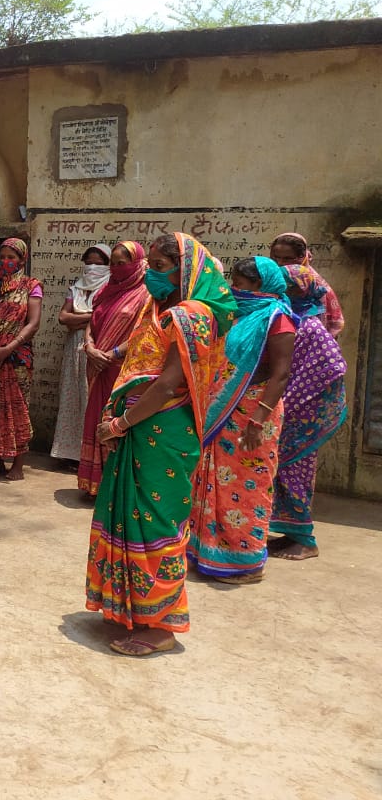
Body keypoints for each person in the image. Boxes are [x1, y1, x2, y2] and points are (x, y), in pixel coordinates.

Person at [86, 232, 237, 656]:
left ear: (184, 270)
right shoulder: (160, 310)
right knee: (128, 516)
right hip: (141, 429)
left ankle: (161, 625)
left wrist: (120, 423)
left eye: (159, 267)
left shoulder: (193, 316)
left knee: (156, 522)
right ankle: (132, 607)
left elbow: (169, 384)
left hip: (164, 431)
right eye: (149, 265)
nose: (150, 274)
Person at [189, 255, 296, 583]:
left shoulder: (278, 319)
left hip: (255, 411)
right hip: (225, 408)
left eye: (240, 284)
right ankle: (210, 551)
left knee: (247, 485)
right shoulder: (240, 313)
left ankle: (246, 564)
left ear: (260, 285)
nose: (234, 289)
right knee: (216, 480)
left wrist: (258, 420)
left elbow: (280, 374)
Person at [269, 264, 349, 560]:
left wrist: (291, 400)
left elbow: (331, 368)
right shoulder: (289, 319)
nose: (283, 291)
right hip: (287, 410)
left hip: (303, 417)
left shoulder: (312, 326)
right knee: (281, 474)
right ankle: (290, 534)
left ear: (303, 291)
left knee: (295, 475)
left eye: (289, 287)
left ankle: (305, 541)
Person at [77, 242, 150, 497]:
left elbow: (144, 333)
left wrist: (113, 353)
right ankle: (93, 484)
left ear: (137, 264)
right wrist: (89, 346)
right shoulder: (105, 291)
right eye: (114, 264)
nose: (117, 268)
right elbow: (92, 322)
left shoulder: (146, 295)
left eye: (123, 263)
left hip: (122, 372)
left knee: (115, 424)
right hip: (97, 365)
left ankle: (112, 487)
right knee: (95, 420)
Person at [0, 238, 43, 481]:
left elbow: (33, 323)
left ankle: (18, 465)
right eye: (2, 257)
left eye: (11, 257)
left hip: (16, 358)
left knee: (17, 410)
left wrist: (9, 347)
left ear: (22, 259)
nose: (6, 261)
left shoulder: (31, 286)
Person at [49, 245, 111, 466]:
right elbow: (63, 318)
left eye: (98, 264)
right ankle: (70, 453)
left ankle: (92, 456)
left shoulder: (110, 288)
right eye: (89, 263)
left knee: (92, 398)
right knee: (72, 398)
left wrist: (80, 319)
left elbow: (106, 319)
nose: (92, 267)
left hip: (96, 347)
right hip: (74, 349)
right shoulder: (76, 288)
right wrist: (92, 317)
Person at [270, 232, 344, 338]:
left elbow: (330, 326)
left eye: (287, 258)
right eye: (276, 257)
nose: (280, 263)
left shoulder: (315, 286)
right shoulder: (267, 280)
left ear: (302, 257)